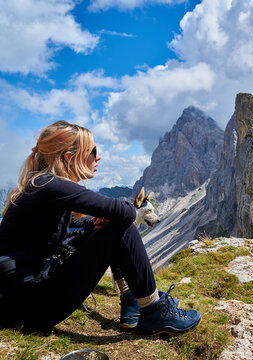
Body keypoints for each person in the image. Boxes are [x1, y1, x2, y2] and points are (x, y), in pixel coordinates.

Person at [0, 121, 201, 334]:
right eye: (92, 151)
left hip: (20, 301)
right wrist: (117, 215)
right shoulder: (51, 186)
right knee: (122, 228)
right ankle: (153, 311)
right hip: (31, 308)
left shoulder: (39, 184)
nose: (98, 157)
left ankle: (132, 300)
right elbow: (123, 211)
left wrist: (92, 222)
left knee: (107, 227)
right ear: (69, 157)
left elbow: (60, 231)